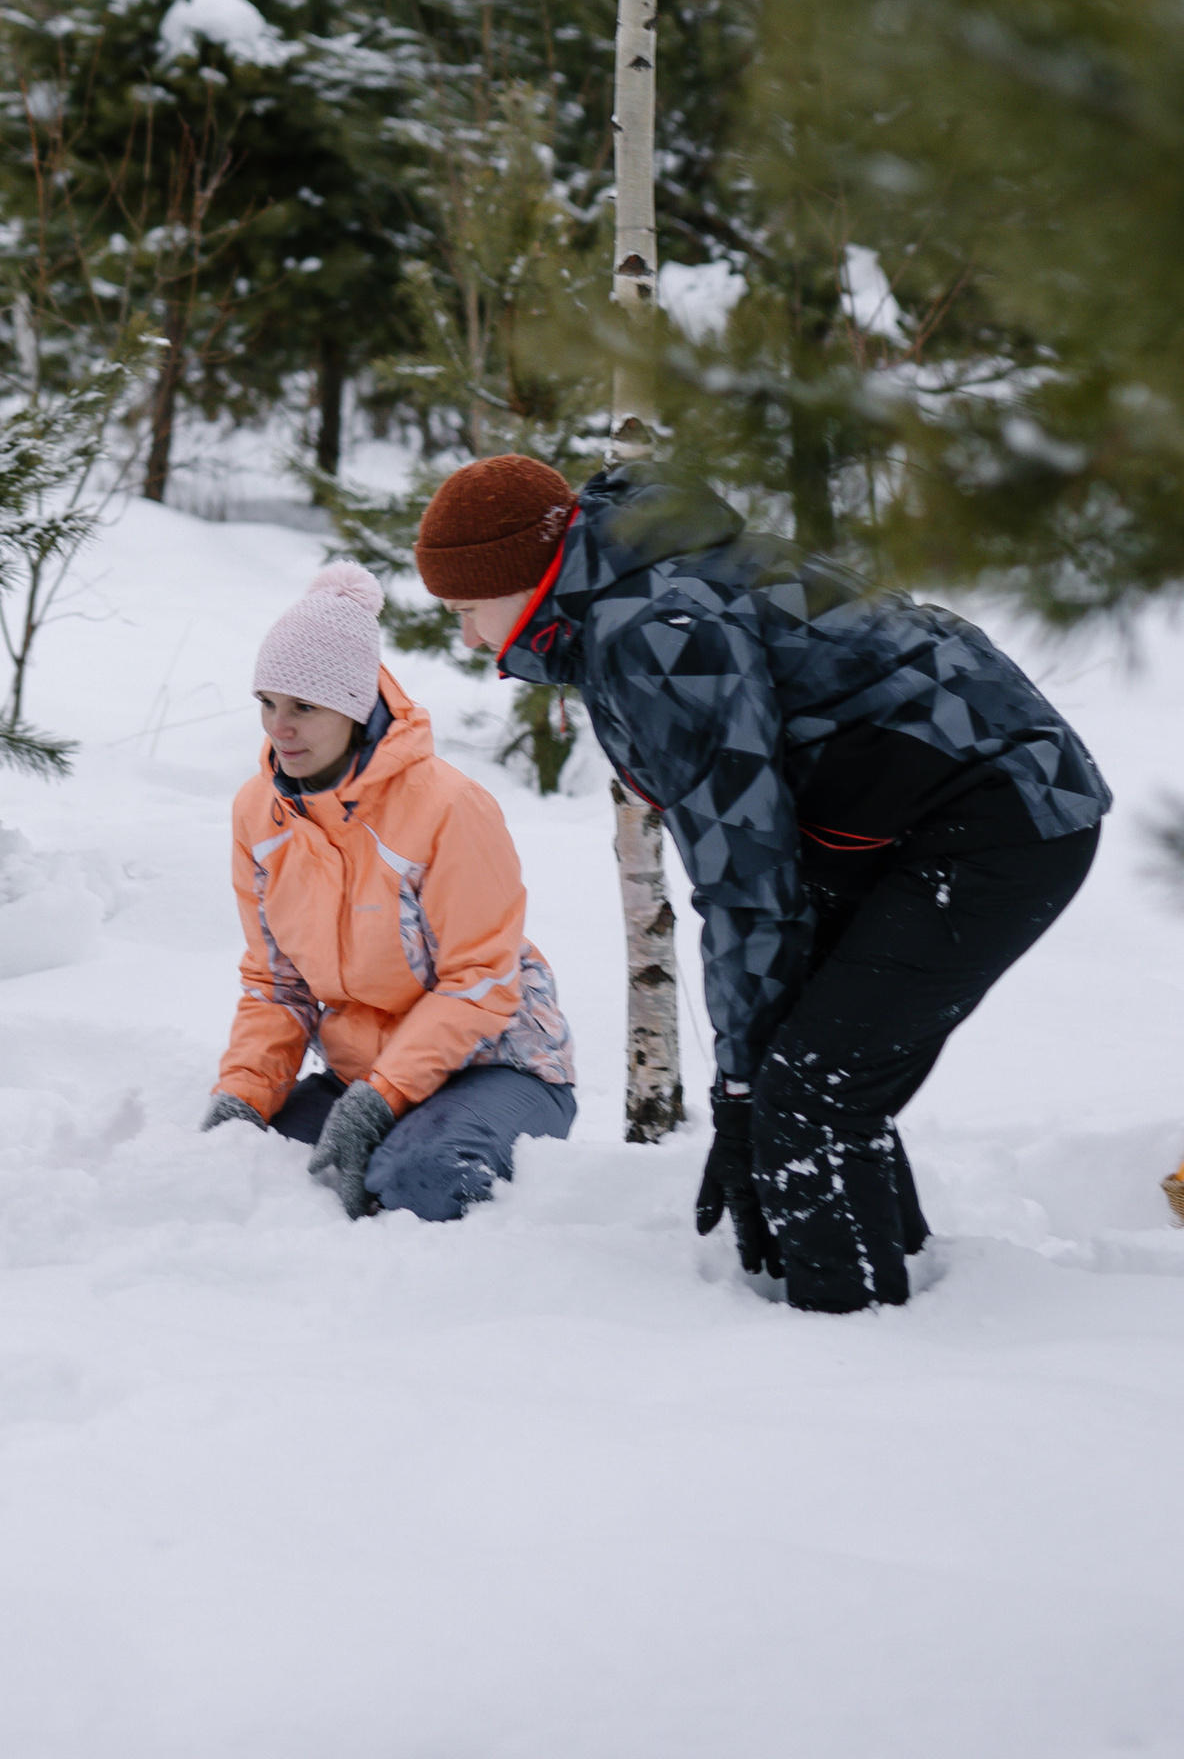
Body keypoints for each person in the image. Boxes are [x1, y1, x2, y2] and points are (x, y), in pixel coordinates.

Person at [414, 449, 1111, 1313]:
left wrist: (741, 1091)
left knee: (811, 1095)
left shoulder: (653, 632)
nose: (471, 639)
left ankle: (852, 1339)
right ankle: (902, 1288)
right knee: (810, 1072)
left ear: (523, 575)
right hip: (912, 816)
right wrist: (749, 1077)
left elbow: (745, 872)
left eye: (468, 611)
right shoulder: (631, 584)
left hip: (997, 821)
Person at [202, 559, 577, 1220]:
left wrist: (382, 1098)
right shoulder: (259, 814)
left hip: (496, 1065)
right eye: (267, 703)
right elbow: (276, 984)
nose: (277, 728)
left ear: (353, 708)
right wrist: (244, 1097)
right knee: (257, 1164)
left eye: (302, 708)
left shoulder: (449, 809)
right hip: (364, 1075)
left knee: (421, 1182)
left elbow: (481, 981)